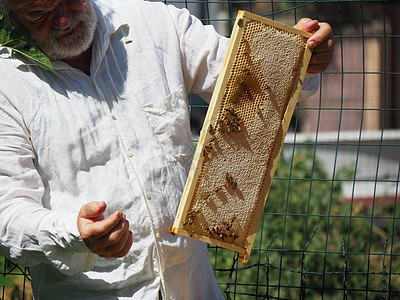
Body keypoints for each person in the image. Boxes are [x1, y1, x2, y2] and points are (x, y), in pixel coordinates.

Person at [0, 0, 334, 299]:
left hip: (192, 287)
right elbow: (8, 213)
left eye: (69, 1)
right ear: (9, 12)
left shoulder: (155, 23)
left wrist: (301, 54)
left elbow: (253, 78)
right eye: (38, 13)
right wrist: (74, 232)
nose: (61, 19)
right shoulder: (7, 84)